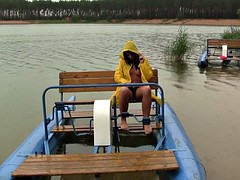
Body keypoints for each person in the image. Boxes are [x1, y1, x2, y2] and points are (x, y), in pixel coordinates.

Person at [111, 40, 160, 135]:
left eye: (131, 54)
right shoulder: (122, 62)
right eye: (127, 54)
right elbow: (117, 76)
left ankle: (146, 122)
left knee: (147, 89)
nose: (129, 56)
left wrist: (142, 63)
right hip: (128, 90)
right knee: (123, 90)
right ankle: (123, 120)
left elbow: (148, 75)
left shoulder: (142, 60)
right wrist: (126, 82)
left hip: (139, 89)